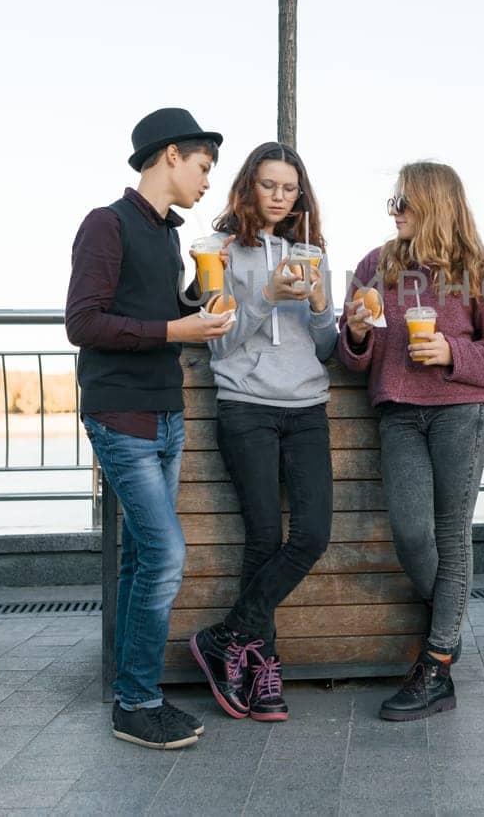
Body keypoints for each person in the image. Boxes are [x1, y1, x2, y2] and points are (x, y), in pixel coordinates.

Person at [65, 107, 230, 751]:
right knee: (165, 554)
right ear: (169, 156)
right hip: (121, 414)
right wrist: (176, 330)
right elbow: (84, 323)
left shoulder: (167, 235)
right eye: (203, 166)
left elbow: (157, 312)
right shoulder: (105, 225)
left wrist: (194, 301)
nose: (207, 180)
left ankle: (132, 695)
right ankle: (137, 700)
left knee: (141, 557)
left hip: (167, 411)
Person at [339, 161, 484, 721]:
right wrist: (352, 333)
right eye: (392, 202)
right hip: (398, 413)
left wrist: (452, 352)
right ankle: (447, 617)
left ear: (436, 205)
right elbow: (358, 355)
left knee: (452, 535)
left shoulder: (481, 272)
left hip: (457, 415)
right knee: (411, 532)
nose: (393, 211)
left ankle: (438, 661)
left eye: (404, 201)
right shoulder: (375, 265)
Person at [189, 142, 337, 723]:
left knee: (312, 535)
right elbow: (218, 340)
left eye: (289, 188)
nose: (278, 197)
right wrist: (266, 299)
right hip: (246, 406)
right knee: (262, 540)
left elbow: (325, 346)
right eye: (268, 185)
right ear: (249, 186)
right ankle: (260, 672)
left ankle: (226, 637)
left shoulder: (311, 252)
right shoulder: (217, 251)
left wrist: (322, 302)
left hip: (306, 407)